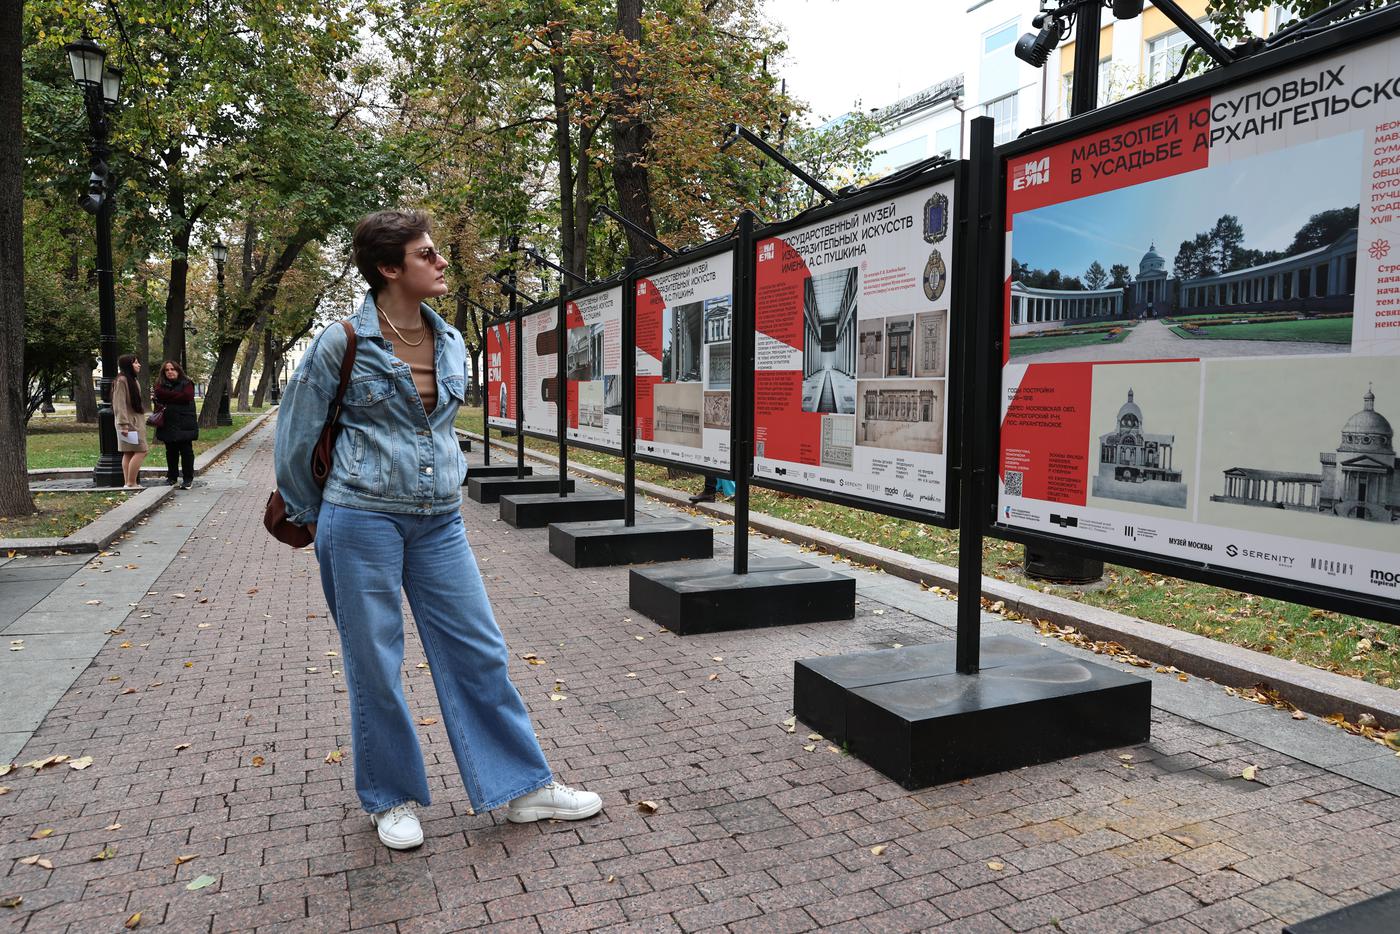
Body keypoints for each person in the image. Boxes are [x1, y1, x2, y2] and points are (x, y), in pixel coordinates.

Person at [274, 209, 601, 851]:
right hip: (361, 517)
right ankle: (390, 797)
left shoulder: (451, 340)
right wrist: (320, 514)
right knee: (376, 663)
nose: (441, 261)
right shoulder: (343, 342)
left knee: (479, 650)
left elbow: (441, 431)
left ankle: (521, 787)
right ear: (389, 268)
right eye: (427, 254)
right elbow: (295, 440)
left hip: (439, 522)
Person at [152, 360, 198, 489]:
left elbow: (187, 396)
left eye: (172, 369)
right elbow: (160, 394)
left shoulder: (187, 383)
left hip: (185, 422)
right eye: (167, 370)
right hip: (168, 422)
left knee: (186, 451)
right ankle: (172, 477)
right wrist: (178, 396)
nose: (170, 372)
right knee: (171, 451)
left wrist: (169, 397)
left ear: (178, 370)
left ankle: (188, 478)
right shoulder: (160, 384)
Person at [112, 354, 148, 489]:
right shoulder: (121, 381)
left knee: (129, 452)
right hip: (129, 423)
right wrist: (123, 425)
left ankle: (128, 483)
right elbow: (119, 404)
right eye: (136, 363)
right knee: (141, 451)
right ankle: (131, 482)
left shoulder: (131, 380)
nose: (139, 365)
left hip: (133, 421)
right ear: (129, 365)